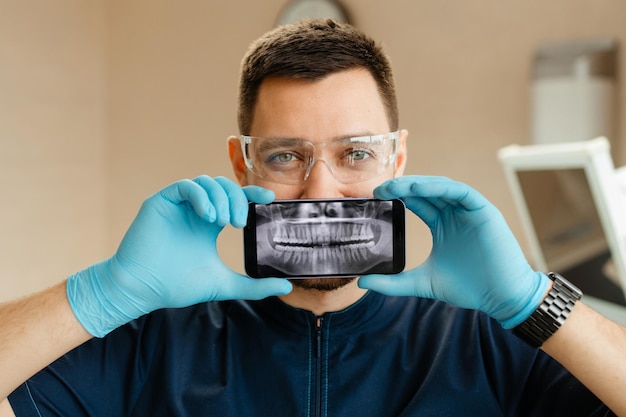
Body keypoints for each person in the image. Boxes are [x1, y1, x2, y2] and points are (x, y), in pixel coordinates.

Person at [1, 19, 625, 416]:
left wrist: (533, 300)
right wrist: (104, 293)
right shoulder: (150, 347)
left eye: (355, 154)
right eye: (284, 156)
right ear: (241, 165)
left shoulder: (491, 341)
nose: (318, 188)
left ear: (397, 157)